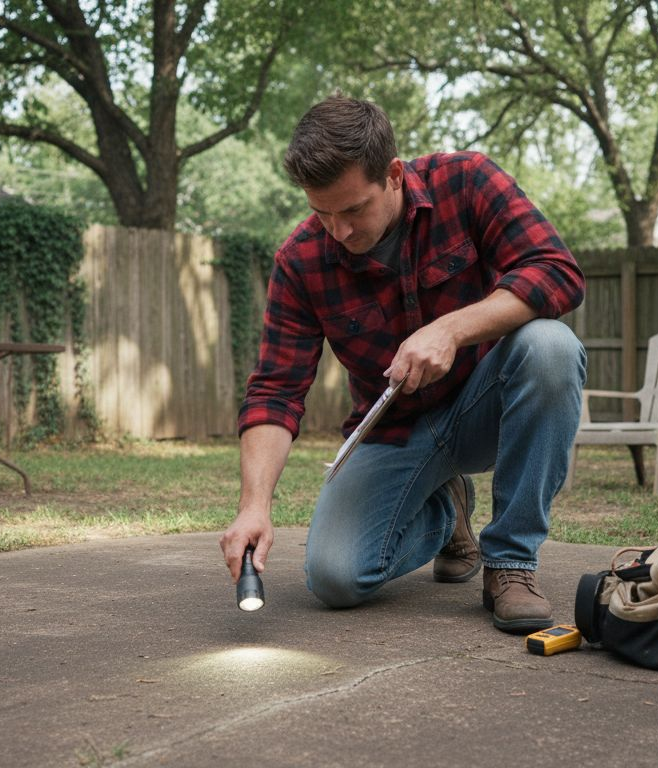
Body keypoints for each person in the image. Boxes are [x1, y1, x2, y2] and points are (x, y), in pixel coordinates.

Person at [219, 94, 586, 633]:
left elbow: (557, 272)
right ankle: (445, 515)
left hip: (487, 407)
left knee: (551, 345)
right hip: (392, 431)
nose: (338, 231)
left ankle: (510, 562)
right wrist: (254, 505)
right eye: (322, 213)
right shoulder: (300, 260)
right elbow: (275, 390)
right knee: (335, 579)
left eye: (352, 210)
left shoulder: (467, 181)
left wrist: (450, 329)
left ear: (393, 174)